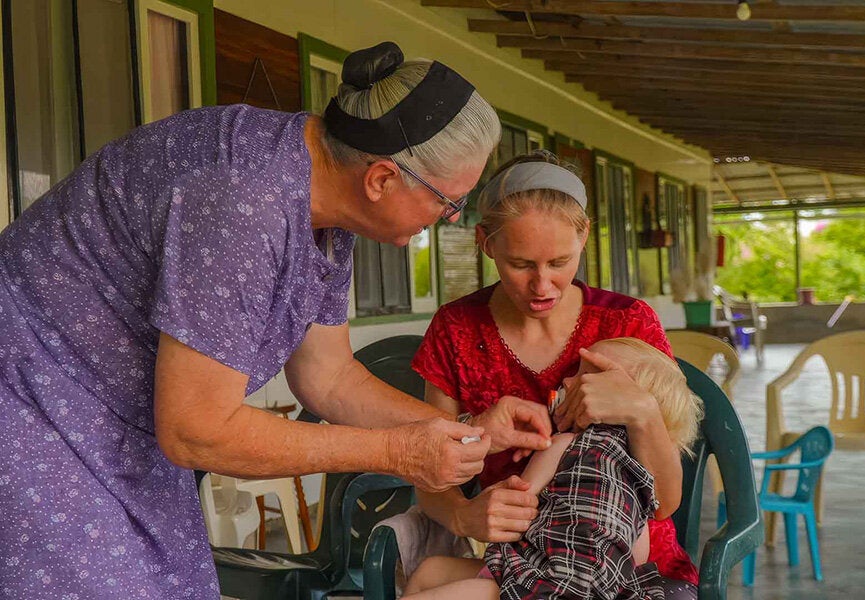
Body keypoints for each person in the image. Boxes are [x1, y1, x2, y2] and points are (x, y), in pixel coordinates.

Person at [0, 42, 552, 599]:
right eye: (447, 201)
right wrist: (399, 453)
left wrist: (472, 430)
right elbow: (197, 428)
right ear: (382, 179)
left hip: (113, 420)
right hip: (27, 400)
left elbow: (327, 377)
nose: (453, 218)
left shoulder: (327, 204)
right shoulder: (244, 198)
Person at [410, 151, 699, 591]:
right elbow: (430, 465)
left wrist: (641, 410)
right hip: (522, 555)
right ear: (486, 242)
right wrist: (460, 515)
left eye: (559, 263)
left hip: (630, 567)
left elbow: (664, 504)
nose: (542, 286)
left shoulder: (627, 322)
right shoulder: (457, 328)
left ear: (583, 235)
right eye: (521, 264)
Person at [403, 336, 703, 599]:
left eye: (587, 377)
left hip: (538, 585)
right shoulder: (639, 480)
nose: (568, 382)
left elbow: (522, 502)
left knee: (429, 574)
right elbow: (637, 553)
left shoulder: (565, 445)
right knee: (435, 572)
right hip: (604, 588)